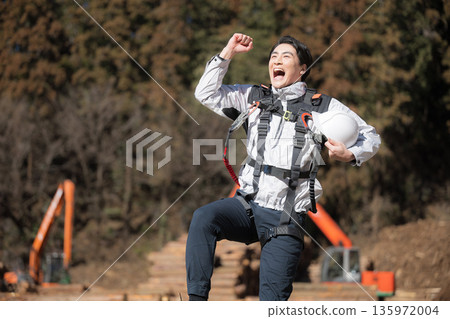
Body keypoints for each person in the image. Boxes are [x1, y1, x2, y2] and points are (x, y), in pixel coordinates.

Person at [186, 33, 381, 301]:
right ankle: (195, 305)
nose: (277, 60)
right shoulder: (252, 96)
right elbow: (205, 93)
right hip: (247, 206)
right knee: (203, 218)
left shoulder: (323, 106)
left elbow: (370, 136)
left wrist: (350, 154)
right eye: (273, 56)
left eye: (285, 56)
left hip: (285, 218)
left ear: (302, 68)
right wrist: (227, 52)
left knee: (272, 303)